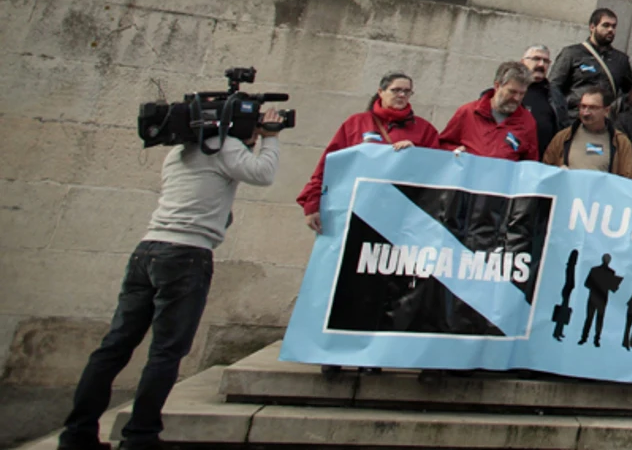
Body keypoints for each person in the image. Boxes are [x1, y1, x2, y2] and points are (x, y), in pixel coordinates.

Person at [60, 104, 283, 450]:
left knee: (114, 346)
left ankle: (77, 434)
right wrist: (270, 138)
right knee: (166, 351)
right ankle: (141, 437)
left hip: (147, 249)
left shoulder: (181, 151)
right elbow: (263, 173)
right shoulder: (223, 147)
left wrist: (247, 142)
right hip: (186, 256)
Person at [297, 72, 439, 232]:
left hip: (401, 215)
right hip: (356, 207)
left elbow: (438, 172)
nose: (402, 95)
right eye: (396, 90)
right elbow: (329, 165)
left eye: (407, 91)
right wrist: (312, 204)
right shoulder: (356, 123)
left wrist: (416, 155)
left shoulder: (424, 130)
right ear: (381, 92)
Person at [441, 61, 540, 162]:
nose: (517, 98)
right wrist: (456, 152)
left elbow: (530, 163)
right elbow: (442, 145)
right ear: (497, 86)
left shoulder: (527, 122)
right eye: (512, 92)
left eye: (522, 94)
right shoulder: (468, 112)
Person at [543, 85, 632, 178]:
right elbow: (547, 169)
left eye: (592, 107)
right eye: (583, 106)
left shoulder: (620, 142)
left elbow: (627, 178)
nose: (586, 112)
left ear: (606, 111)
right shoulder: (563, 137)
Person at [550, 8, 632, 104]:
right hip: (575, 111)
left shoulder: (621, 60)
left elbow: (630, 93)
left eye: (614, 26)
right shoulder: (572, 53)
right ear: (592, 27)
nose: (610, 30)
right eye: (606, 25)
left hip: (606, 112)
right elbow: (553, 87)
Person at [520, 44, 567, 152]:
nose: (541, 64)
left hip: (544, 158)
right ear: (523, 62)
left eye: (546, 61)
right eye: (536, 59)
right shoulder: (514, 90)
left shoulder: (556, 96)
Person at [580, 254, 622, 348]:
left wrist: (595, 285)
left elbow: (587, 283)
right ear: (609, 261)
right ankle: (596, 339)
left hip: (593, 296)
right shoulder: (611, 272)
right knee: (599, 319)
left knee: (589, 318)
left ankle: (584, 338)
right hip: (602, 298)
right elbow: (613, 288)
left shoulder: (594, 270)